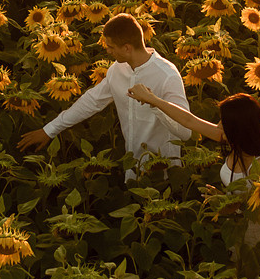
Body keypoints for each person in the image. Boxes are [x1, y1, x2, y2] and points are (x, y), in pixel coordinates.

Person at [16, 14, 191, 176]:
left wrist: (154, 103)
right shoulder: (117, 70)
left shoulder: (167, 75)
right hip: (131, 170)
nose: (108, 51)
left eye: (111, 47)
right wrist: (49, 130)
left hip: (165, 174)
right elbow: (91, 102)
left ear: (127, 48)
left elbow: (185, 131)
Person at [124, 87, 260, 194]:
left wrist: (233, 207)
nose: (218, 125)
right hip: (234, 232)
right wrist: (153, 100)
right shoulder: (232, 141)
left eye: (223, 121)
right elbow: (189, 120)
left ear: (239, 128)